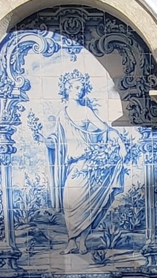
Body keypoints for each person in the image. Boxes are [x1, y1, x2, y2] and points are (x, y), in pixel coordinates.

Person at [47, 70, 127, 254]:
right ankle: (71, 241)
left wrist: (120, 143)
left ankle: (81, 241)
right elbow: (58, 138)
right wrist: (50, 141)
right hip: (72, 164)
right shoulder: (62, 114)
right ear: (67, 88)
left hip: (86, 163)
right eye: (76, 87)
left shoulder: (85, 111)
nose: (79, 91)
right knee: (69, 202)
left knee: (86, 205)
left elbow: (105, 129)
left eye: (81, 88)